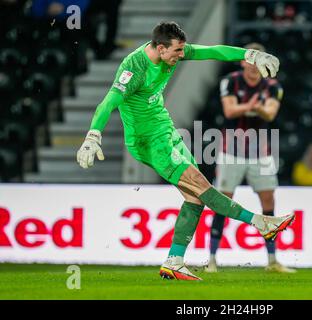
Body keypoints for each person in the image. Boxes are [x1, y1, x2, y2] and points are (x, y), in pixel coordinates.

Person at [76, 21, 294, 281]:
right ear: (160, 48)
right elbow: (109, 101)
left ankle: (174, 261)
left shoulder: (171, 52)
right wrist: (93, 134)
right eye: (178, 52)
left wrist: (249, 54)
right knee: (200, 184)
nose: (182, 55)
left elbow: (213, 51)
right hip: (148, 141)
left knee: (195, 197)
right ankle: (261, 223)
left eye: (182, 51)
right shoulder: (134, 68)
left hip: (166, 131)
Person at [205, 43, 295, 274]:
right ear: (243, 62)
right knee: (223, 203)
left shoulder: (273, 85)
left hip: (261, 153)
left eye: (259, 61)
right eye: (251, 61)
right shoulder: (230, 81)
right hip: (230, 151)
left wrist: (247, 107)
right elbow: (229, 112)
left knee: (268, 202)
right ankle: (212, 260)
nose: (254, 66)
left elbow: (271, 113)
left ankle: (273, 260)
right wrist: (255, 107)